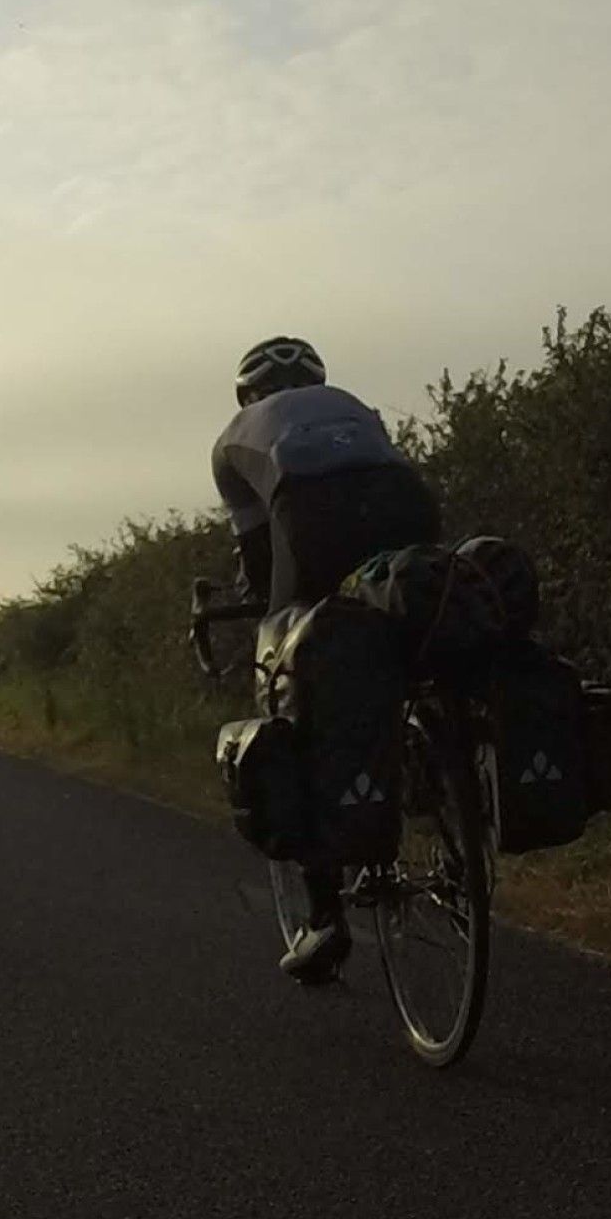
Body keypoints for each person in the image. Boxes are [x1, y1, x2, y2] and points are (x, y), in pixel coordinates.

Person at [213, 335, 442, 981]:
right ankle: (436, 771)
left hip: (309, 512)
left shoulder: (231, 439)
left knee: (289, 676)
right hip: (406, 500)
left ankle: (323, 921)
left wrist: (263, 607)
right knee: (403, 622)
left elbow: (261, 558)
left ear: (247, 394)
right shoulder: (355, 409)